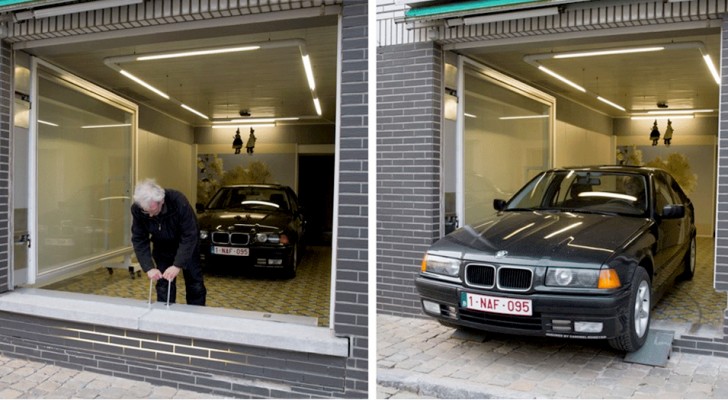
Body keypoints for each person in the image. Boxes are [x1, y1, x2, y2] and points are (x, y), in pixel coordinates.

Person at [131, 178, 207, 306]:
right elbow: (139, 238)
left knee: (195, 283)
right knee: (163, 285)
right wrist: (149, 268)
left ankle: (196, 315)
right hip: (162, 246)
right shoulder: (138, 209)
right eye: (146, 211)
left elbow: (190, 234)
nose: (149, 215)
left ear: (161, 201)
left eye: (152, 210)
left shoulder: (178, 201)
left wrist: (177, 265)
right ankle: (165, 315)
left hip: (188, 245)